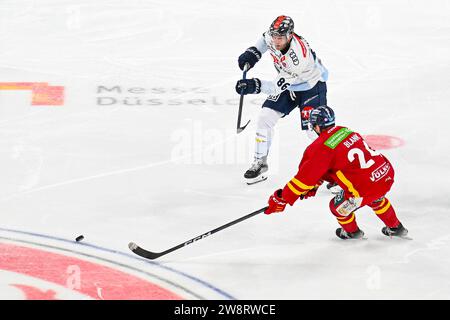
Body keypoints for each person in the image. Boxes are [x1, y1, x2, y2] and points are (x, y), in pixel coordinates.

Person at [264, 105, 408, 239]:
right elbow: (337, 164)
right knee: (376, 197)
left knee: (337, 207)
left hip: (365, 187)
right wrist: (316, 183)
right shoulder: (345, 130)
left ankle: (352, 232)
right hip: (384, 174)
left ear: (316, 126)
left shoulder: (320, 147)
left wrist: (282, 198)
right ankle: (396, 227)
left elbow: (303, 180)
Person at [235, 15, 328, 184]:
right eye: (275, 36)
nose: (276, 41)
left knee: (314, 132)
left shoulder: (297, 58)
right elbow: (263, 42)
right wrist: (251, 55)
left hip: (312, 86)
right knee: (265, 117)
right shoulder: (271, 36)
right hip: (291, 85)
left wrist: (253, 85)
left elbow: (275, 87)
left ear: (290, 35)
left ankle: (335, 173)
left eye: (280, 38)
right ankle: (260, 163)